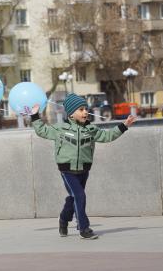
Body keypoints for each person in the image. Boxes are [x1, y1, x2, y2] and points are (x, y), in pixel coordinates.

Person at [30, 93, 136, 240]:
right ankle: (83, 228)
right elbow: (42, 131)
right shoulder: (61, 128)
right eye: (81, 109)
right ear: (71, 114)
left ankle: (63, 219)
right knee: (79, 195)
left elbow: (107, 136)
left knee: (73, 198)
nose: (85, 112)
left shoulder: (91, 129)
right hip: (67, 170)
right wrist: (35, 116)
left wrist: (124, 126)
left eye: (86, 109)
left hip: (84, 169)